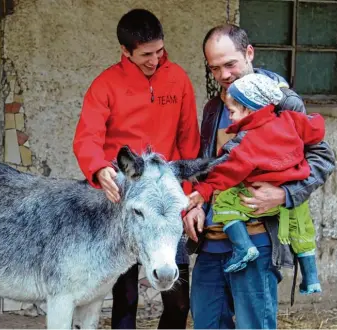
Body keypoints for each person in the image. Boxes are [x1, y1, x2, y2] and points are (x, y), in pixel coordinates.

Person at [183, 24, 335, 329]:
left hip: (257, 237)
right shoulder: (215, 107)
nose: (223, 75)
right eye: (214, 68)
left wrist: (285, 195)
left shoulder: (281, 100)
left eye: (230, 64)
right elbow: (210, 166)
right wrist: (195, 205)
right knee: (206, 322)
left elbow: (323, 158)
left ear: (249, 53)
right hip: (212, 239)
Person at [73, 9, 200, 329]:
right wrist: (99, 169)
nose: (155, 60)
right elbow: (87, 137)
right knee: (125, 296)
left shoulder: (179, 79)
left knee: (178, 299)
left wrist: (187, 200)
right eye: (145, 54)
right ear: (125, 52)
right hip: (123, 199)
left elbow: (189, 143)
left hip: (166, 201)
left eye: (159, 51)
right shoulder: (105, 84)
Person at [187, 73, 324, 295]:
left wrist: (204, 190)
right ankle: (311, 278)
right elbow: (315, 128)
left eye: (232, 112)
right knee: (302, 230)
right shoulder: (289, 119)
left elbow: (226, 171)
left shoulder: (249, 140)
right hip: (293, 188)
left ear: (249, 111)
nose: (230, 118)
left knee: (224, 201)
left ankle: (243, 247)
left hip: (261, 193)